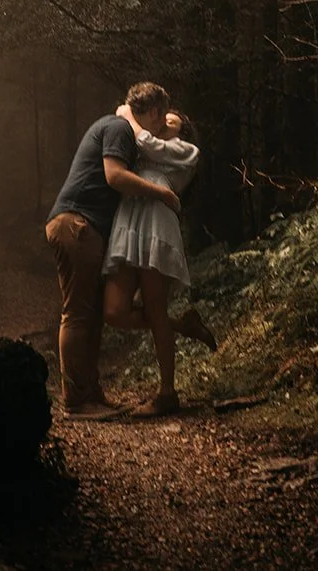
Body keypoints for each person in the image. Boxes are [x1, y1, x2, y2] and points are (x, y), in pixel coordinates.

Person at [46, 82, 182, 419]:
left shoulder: (122, 127)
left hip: (84, 228)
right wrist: (161, 193)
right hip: (76, 225)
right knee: (77, 314)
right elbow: (115, 176)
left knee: (91, 314)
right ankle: (76, 401)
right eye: (162, 118)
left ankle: (91, 395)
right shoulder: (119, 128)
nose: (161, 127)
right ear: (154, 112)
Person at [102, 104, 217, 418]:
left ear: (183, 131)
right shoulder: (142, 150)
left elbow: (146, 141)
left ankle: (167, 393)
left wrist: (128, 116)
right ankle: (182, 325)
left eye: (172, 121)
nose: (165, 122)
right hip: (129, 221)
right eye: (161, 118)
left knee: (155, 310)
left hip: (156, 224)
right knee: (114, 311)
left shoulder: (185, 151)